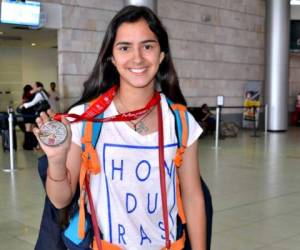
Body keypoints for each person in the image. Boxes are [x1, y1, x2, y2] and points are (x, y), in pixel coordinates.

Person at [34, 6, 206, 250]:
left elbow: (193, 197)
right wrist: (57, 160)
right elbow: (60, 200)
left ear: (161, 54)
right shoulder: (85, 118)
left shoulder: (180, 122)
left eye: (148, 46)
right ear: (112, 58)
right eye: (125, 47)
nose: (137, 58)